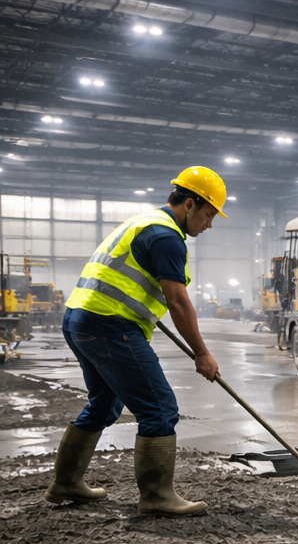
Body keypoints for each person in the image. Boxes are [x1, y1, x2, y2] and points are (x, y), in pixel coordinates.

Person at [45, 166, 227, 515]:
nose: (209, 225)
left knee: (104, 405)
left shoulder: (143, 223)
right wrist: (201, 354)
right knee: (159, 409)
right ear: (189, 204)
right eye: (208, 215)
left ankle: (65, 483)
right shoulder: (166, 237)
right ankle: (157, 497)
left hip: (80, 320)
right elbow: (177, 301)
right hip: (110, 326)